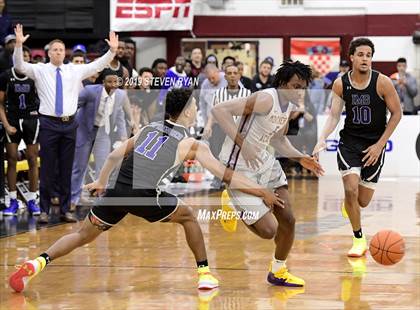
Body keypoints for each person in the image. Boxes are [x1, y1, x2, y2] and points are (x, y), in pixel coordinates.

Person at [9, 88, 284, 293]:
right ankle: (204, 275)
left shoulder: (149, 128)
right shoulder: (191, 143)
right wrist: (262, 192)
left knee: (82, 234)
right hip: (143, 193)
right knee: (189, 216)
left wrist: (102, 181)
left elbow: (116, 154)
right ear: (188, 111)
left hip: (117, 191)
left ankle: (36, 263)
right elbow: (227, 176)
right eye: (194, 107)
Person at [212, 60, 324, 287]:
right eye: (295, 86)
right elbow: (219, 111)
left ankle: (278, 271)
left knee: (289, 220)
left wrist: (300, 158)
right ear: (282, 83)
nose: (299, 91)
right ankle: (232, 204)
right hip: (238, 165)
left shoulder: (290, 106)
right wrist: (244, 144)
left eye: (303, 87)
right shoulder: (265, 98)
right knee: (268, 230)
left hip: (264, 162)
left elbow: (278, 140)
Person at [12, 24, 119, 223]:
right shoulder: (40, 69)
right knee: (47, 168)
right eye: (55, 49)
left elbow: (97, 66)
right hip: (48, 123)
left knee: (67, 168)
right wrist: (19, 46)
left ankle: (64, 209)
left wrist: (112, 51)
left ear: (65, 53)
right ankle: (44, 209)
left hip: (70, 124)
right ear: (49, 52)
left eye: (61, 50)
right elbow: (19, 66)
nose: (59, 52)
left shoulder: (74, 70)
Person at [313, 38, 402, 257]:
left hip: (374, 145)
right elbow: (334, 116)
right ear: (351, 57)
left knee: (362, 200)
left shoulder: (382, 82)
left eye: (368, 55)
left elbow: (397, 114)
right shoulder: (340, 83)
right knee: (350, 190)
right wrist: (322, 137)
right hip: (349, 143)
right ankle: (359, 239)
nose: (365, 59)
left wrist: (380, 145)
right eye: (360, 54)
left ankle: (350, 205)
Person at [70, 73, 128, 211]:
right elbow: (73, 106)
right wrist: (69, 126)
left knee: (103, 165)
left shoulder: (120, 95)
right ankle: (74, 198)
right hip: (84, 130)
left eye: (116, 82)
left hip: (103, 131)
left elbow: (119, 114)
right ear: (103, 82)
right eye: (110, 82)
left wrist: (123, 135)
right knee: (80, 165)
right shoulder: (90, 91)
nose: (113, 85)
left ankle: (99, 196)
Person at [0, 46, 41, 216]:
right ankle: (12, 200)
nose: (22, 58)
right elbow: (0, 104)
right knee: (11, 159)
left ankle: (32, 199)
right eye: (19, 56)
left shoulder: (35, 75)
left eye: (25, 55)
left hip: (32, 120)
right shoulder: (5, 76)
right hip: (12, 120)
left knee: (32, 159)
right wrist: (6, 125)